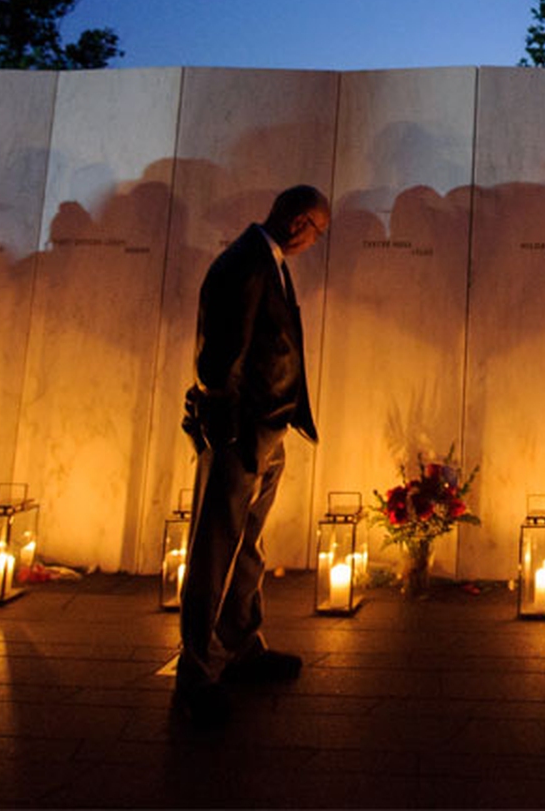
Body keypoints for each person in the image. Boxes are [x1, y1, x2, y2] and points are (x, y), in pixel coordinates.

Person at [173, 185, 329, 726]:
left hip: (267, 425)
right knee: (216, 547)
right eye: (318, 231)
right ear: (299, 222)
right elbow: (221, 358)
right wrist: (232, 430)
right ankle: (195, 669)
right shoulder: (247, 263)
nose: (314, 242)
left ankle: (241, 645)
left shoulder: (262, 259)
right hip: (243, 432)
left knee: (247, 544)